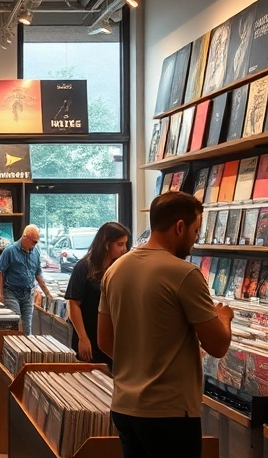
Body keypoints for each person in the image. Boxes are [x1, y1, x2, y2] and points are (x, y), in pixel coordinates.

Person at [98, 192, 233, 458]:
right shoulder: (185, 274)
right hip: (170, 412)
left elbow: (104, 341)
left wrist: (141, 364)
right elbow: (217, 346)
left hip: (125, 406)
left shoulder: (115, 270)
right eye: (195, 230)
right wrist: (224, 318)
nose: (196, 239)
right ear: (179, 227)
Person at [65, 222, 129, 366]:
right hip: (89, 333)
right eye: (119, 245)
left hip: (112, 336)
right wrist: (83, 337)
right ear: (107, 244)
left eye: (125, 244)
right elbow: (74, 304)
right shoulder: (83, 267)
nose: (124, 249)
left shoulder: (119, 267)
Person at [0, 224, 53, 335]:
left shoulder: (36, 252)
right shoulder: (10, 251)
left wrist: (47, 293)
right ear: (25, 237)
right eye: (34, 241)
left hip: (28, 293)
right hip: (11, 292)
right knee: (15, 324)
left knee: (27, 328)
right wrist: (0, 295)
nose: (35, 244)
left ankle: (25, 351)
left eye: (37, 242)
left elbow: (38, 273)